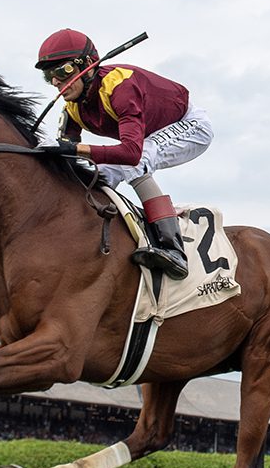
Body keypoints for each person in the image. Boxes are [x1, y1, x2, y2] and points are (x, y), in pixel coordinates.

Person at [34, 28, 214, 280]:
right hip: (148, 136)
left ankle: (172, 248)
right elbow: (71, 165)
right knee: (100, 174)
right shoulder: (72, 107)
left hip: (190, 125)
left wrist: (75, 149)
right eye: (48, 76)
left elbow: (130, 153)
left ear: (87, 65)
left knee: (135, 162)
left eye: (62, 71)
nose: (55, 82)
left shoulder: (120, 87)